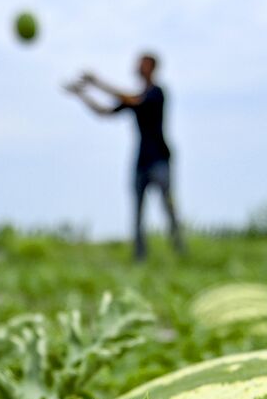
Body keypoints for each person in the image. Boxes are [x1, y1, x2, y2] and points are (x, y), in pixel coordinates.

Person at [64, 52, 185, 261]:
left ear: (152, 67)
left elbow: (131, 99)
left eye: (142, 63)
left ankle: (179, 249)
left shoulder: (157, 93)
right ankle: (140, 256)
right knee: (137, 212)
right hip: (141, 162)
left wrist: (97, 82)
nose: (138, 66)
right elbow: (104, 112)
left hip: (160, 160)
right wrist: (81, 95)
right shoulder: (135, 98)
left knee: (168, 206)